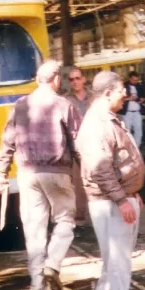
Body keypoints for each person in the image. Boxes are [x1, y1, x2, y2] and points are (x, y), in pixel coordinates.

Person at [0, 60, 81, 290]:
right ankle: (52, 264)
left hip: (28, 175)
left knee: (34, 231)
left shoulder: (20, 106)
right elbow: (77, 141)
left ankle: (37, 289)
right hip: (57, 172)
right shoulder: (64, 104)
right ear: (56, 80)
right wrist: (87, 171)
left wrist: (1, 173)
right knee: (64, 220)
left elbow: (7, 142)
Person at [77, 71, 145, 290]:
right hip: (110, 201)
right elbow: (101, 168)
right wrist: (121, 199)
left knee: (113, 255)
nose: (125, 96)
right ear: (107, 93)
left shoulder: (104, 119)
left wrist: (131, 191)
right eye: (121, 92)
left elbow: (118, 162)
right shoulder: (98, 124)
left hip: (116, 197)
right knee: (120, 257)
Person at [65, 66, 91, 226]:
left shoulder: (94, 98)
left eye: (77, 78)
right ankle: (80, 215)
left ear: (83, 79)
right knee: (78, 182)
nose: (75, 82)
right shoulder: (65, 100)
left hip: (94, 144)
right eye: (71, 79)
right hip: (75, 147)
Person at [122, 72, 145, 145]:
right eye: (134, 80)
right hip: (127, 112)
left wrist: (142, 99)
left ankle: (137, 148)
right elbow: (119, 99)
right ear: (129, 78)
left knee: (138, 131)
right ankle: (128, 148)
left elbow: (143, 96)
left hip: (137, 112)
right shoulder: (123, 86)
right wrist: (128, 98)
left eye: (137, 80)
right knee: (127, 131)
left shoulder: (140, 86)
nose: (135, 82)